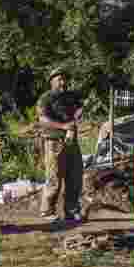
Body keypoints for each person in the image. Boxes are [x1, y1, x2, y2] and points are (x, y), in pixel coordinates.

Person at [36, 66, 84, 222]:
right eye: (59, 79)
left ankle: (71, 210)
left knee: (74, 176)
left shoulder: (71, 96)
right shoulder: (46, 98)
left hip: (71, 141)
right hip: (54, 141)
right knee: (54, 176)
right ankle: (47, 211)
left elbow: (79, 108)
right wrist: (63, 126)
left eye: (65, 79)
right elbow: (42, 120)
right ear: (51, 82)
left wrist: (77, 115)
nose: (63, 82)